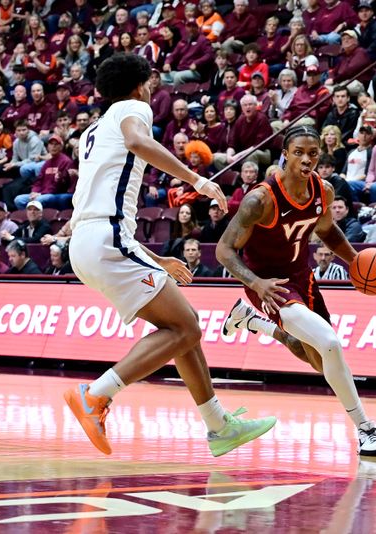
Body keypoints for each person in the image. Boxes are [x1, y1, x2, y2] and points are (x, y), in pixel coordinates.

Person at [64, 54, 276, 457]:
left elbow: (102, 211)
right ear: (139, 84)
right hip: (106, 238)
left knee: (185, 327)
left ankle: (218, 426)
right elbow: (137, 142)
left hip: (91, 240)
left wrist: (157, 261)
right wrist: (196, 178)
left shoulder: (93, 129)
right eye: (150, 79)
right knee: (186, 329)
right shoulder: (133, 108)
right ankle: (96, 395)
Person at [216, 125, 376, 456]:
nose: (306, 159)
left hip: (301, 278)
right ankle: (366, 430)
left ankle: (254, 323)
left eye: (313, 153)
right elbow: (224, 250)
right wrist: (255, 283)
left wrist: (355, 262)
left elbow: (327, 231)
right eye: (299, 153)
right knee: (330, 344)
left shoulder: (323, 191)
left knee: (317, 359)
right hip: (270, 285)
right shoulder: (259, 200)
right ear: (285, 155)